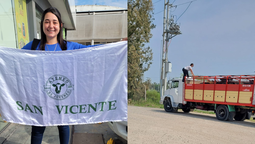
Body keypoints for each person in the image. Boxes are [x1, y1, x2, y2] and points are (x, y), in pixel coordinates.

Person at [21, 7, 98, 144]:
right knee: (37, 130)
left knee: (63, 127)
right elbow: (13, 60)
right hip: (40, 99)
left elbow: (93, 51)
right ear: (42, 24)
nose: (51, 26)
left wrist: (119, 45)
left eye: (55, 22)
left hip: (62, 98)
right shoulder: (33, 46)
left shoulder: (69, 47)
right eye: (47, 22)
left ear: (60, 25)